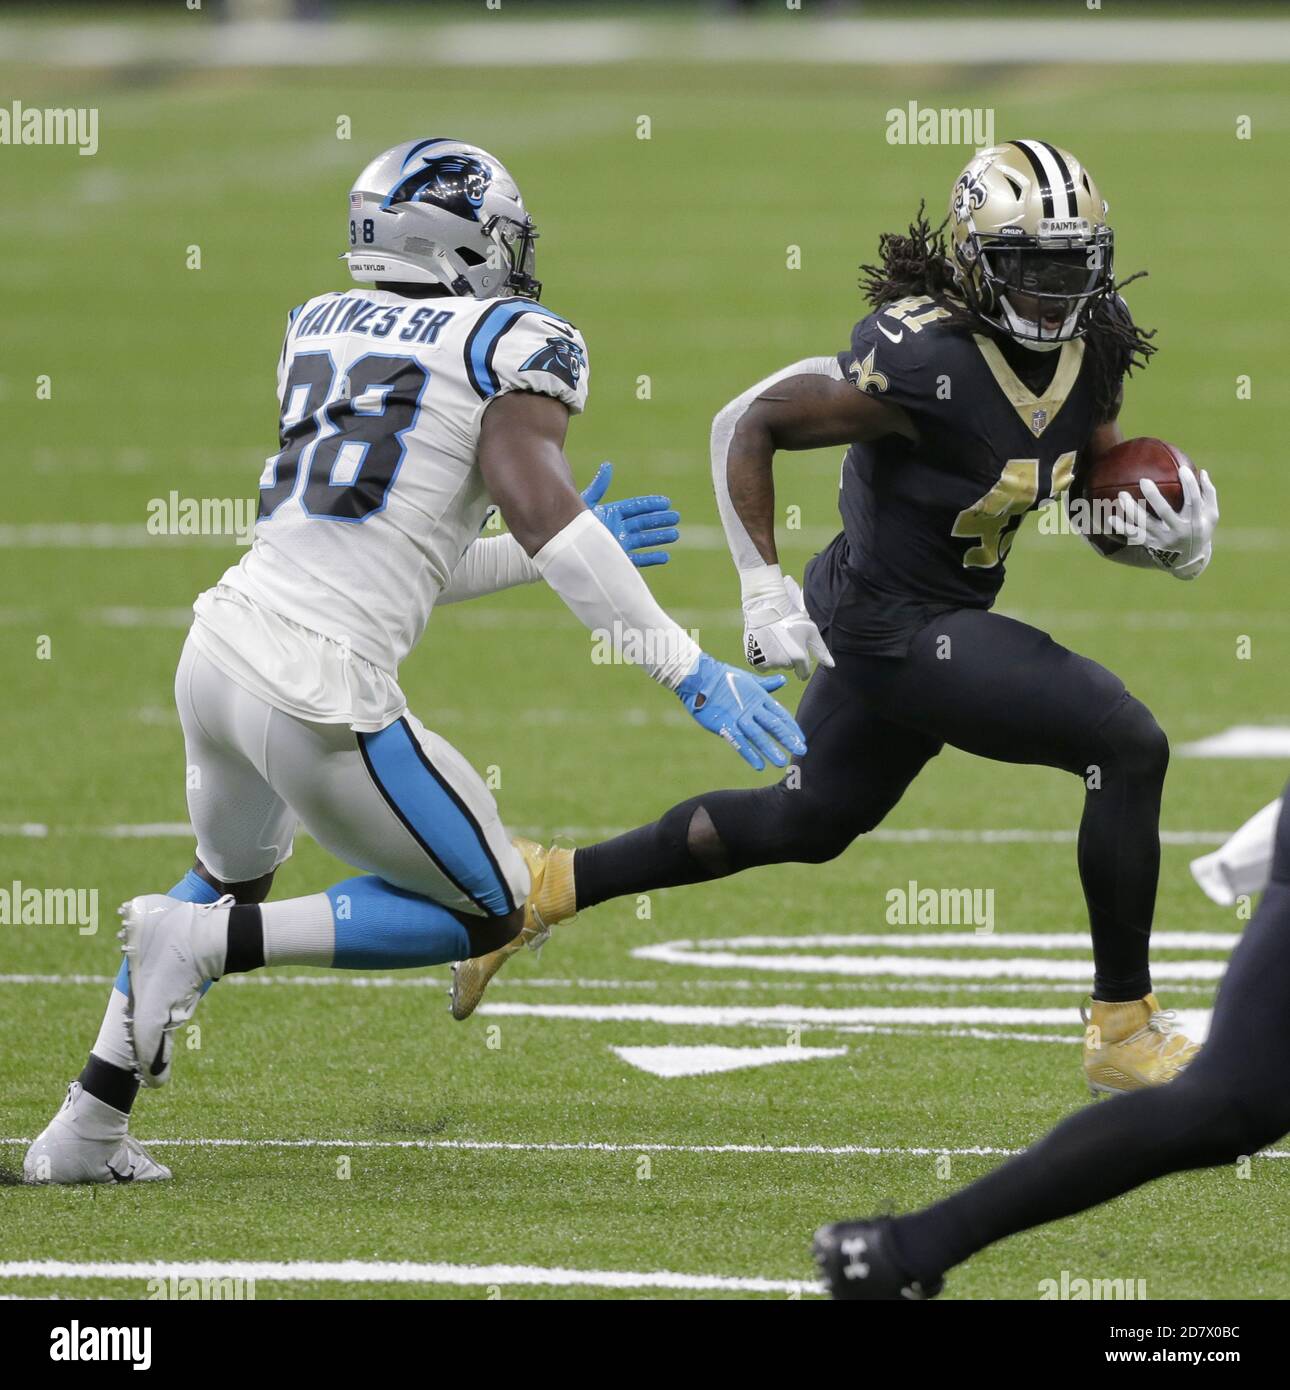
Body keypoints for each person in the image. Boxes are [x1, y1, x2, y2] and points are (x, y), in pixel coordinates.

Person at [23, 138, 804, 1185]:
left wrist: (551, 548)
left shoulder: (318, 323)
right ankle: (204, 945)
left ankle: (84, 1128)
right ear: (459, 240)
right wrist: (689, 668)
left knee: (224, 872)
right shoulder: (511, 339)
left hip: (220, 651)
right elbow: (546, 517)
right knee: (487, 908)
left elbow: (394, 555)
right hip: (314, 690)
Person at [454, 141, 1220, 1102]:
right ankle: (1122, 1026)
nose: (1057, 291)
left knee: (805, 820)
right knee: (1126, 741)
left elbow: (1071, 477)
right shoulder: (923, 355)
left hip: (930, 615)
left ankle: (546, 885)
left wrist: (1151, 524)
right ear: (981, 261)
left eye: (1077, 264)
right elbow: (748, 421)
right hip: (892, 625)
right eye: (1033, 267)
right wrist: (758, 587)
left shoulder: (1091, 338)